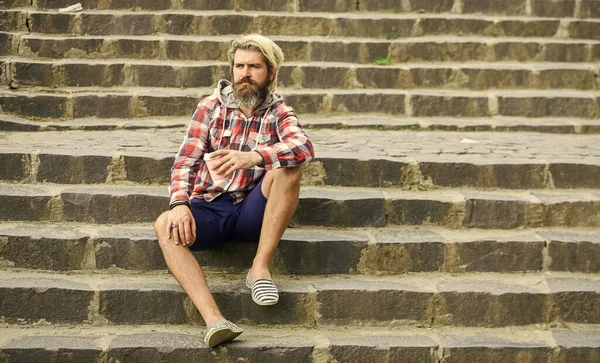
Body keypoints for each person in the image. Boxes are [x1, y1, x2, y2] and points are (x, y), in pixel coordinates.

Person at [153, 34, 315, 348]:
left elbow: (304, 147)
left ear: (270, 73)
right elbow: (185, 160)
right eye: (239, 65)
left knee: (289, 167)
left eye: (254, 66)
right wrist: (179, 204)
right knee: (165, 225)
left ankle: (259, 268)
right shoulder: (210, 107)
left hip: (254, 210)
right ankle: (215, 320)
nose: (244, 73)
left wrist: (257, 156)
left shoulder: (278, 112)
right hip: (210, 207)